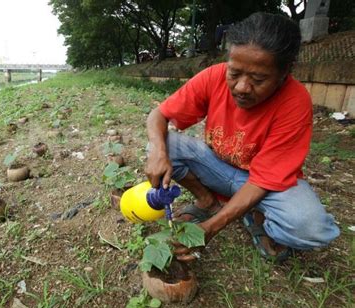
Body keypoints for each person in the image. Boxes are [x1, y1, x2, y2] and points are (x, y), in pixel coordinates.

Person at [145, 12, 340, 263]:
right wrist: (159, 153)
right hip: (219, 167)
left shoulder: (295, 101)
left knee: (311, 229)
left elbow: (263, 180)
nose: (241, 87)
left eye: (258, 79)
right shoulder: (213, 77)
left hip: (264, 184)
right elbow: (158, 116)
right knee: (162, 144)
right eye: (234, 73)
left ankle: (256, 213)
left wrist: (212, 228)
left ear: (285, 72)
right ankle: (208, 202)